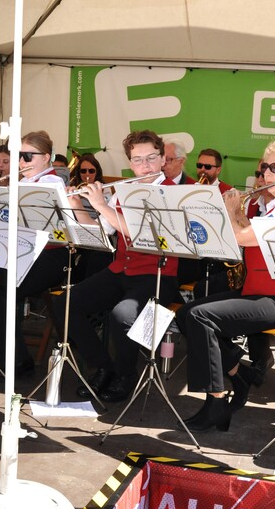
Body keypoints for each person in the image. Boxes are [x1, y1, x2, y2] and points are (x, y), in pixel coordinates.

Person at [177, 138, 275, 431]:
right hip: (258, 290)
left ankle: (216, 400)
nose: (266, 174)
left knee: (200, 316)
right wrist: (236, 210)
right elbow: (243, 234)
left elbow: (241, 238)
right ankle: (240, 375)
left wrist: (229, 210)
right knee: (186, 314)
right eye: (265, 168)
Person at [60, 130, 181, 403]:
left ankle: (126, 375)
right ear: (130, 163)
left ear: (163, 159)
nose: (145, 166)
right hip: (121, 269)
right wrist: (77, 204)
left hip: (158, 274)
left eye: (151, 158)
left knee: (123, 315)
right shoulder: (122, 192)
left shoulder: (175, 194)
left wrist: (102, 205)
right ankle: (103, 366)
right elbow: (99, 234)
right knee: (68, 304)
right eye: (138, 160)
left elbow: (147, 237)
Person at [0, 131, 68, 380]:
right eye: (18, 156)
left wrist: (1, 195)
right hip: (23, 252)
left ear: (46, 157)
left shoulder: (51, 184)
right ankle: (2, 350)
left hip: (50, 256)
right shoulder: (24, 181)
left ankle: (15, 358)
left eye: (27, 156)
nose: (21, 162)